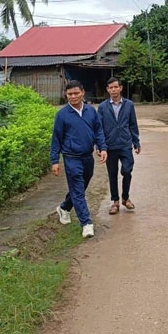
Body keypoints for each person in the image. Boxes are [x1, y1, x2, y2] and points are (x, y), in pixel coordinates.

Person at [51, 80, 107, 238]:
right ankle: (86, 223)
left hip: (87, 157)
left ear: (82, 92)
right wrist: (54, 161)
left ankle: (64, 208)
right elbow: (56, 139)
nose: (73, 96)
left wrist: (102, 147)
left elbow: (98, 130)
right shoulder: (62, 115)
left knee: (80, 188)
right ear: (66, 95)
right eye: (70, 94)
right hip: (71, 158)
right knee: (77, 189)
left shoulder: (90, 111)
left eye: (76, 93)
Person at [98, 76, 141, 215]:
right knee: (112, 174)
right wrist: (100, 146)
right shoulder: (103, 107)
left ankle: (126, 198)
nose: (114, 90)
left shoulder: (129, 105)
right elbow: (99, 128)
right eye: (111, 88)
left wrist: (136, 142)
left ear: (120, 88)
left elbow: (133, 125)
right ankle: (115, 202)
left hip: (125, 144)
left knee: (127, 171)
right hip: (110, 146)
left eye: (116, 87)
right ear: (107, 90)